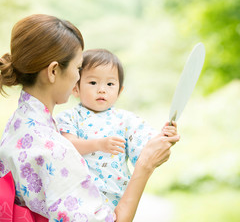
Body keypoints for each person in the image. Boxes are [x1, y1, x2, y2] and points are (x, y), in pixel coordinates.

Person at [0, 14, 180, 222]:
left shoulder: (18, 126)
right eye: (78, 69)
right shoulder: (54, 150)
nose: (78, 77)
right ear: (53, 71)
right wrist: (145, 165)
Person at [56, 49, 178, 209]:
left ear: (119, 91)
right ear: (76, 88)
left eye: (110, 84)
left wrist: (165, 136)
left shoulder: (126, 120)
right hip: (78, 198)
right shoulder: (70, 117)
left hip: (115, 199)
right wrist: (99, 145)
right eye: (93, 83)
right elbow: (67, 145)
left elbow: (148, 149)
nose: (102, 89)